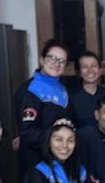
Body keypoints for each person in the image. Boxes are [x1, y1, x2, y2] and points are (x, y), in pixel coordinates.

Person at [16, 39, 75, 171]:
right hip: (38, 162)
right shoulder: (30, 90)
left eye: (62, 61)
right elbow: (27, 132)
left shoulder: (62, 88)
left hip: (61, 159)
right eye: (52, 58)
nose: (56, 64)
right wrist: (56, 140)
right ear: (42, 60)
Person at [69, 51, 105, 130]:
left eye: (93, 66)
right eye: (85, 67)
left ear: (99, 70)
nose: (90, 70)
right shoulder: (71, 97)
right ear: (79, 72)